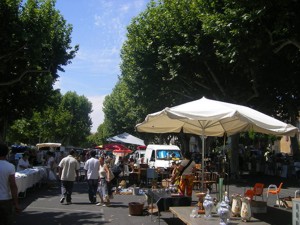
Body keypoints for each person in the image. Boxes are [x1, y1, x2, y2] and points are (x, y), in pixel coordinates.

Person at [0, 143, 21, 225]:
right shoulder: (10, 166)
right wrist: (16, 203)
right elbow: (13, 186)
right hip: (5, 199)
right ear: (6, 153)